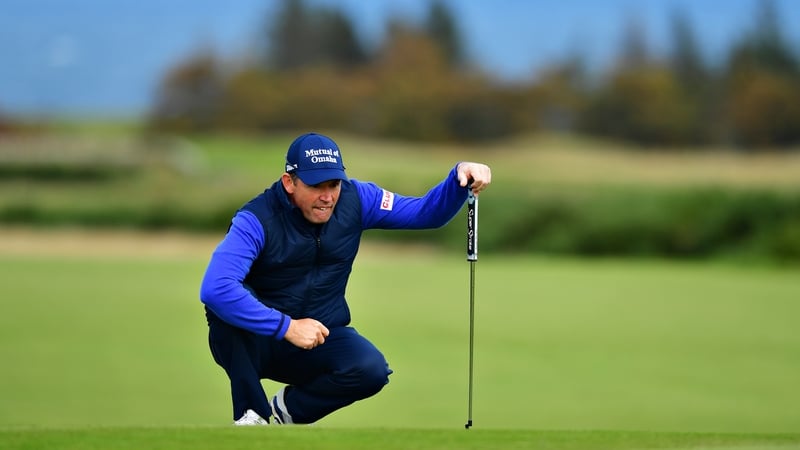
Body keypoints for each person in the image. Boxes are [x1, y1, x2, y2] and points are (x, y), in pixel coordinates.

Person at [199, 132, 491, 425]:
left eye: (334, 184)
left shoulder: (358, 199)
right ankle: (251, 418)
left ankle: (280, 414)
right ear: (290, 183)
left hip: (318, 339)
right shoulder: (256, 219)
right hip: (257, 342)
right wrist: (286, 327)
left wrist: (458, 179)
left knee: (370, 369)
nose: (327, 197)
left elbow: (425, 214)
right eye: (316, 186)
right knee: (225, 312)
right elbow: (215, 288)